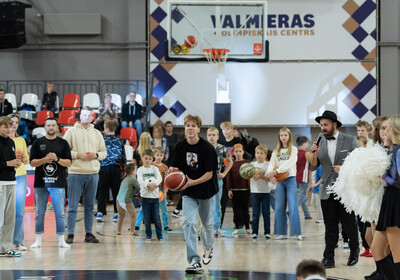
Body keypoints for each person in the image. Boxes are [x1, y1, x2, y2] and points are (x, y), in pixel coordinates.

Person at [309, 110, 360, 268]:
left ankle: (354, 251)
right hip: (326, 190)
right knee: (330, 226)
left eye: (326, 124)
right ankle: (328, 257)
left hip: (345, 189)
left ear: (334, 124)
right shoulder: (319, 141)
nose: (323, 127)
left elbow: (359, 164)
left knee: (348, 223)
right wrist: (314, 155)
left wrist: (344, 169)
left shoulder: (350, 140)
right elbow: (312, 167)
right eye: (321, 125)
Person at [168, 114, 218, 274]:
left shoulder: (207, 148)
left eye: (193, 125)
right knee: (188, 223)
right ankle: (195, 261)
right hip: (188, 192)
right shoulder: (179, 147)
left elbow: (210, 174)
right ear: (185, 128)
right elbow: (173, 169)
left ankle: (208, 248)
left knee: (207, 225)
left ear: (198, 128)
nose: (190, 128)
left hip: (206, 191)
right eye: (187, 125)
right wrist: (170, 178)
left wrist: (191, 182)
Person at [63, 106, 107, 244]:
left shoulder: (97, 133)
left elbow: (104, 152)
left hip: (93, 173)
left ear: (92, 117)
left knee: (89, 206)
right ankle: (70, 234)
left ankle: (88, 233)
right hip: (75, 172)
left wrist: (97, 155)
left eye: (89, 115)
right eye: (84, 115)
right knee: (72, 206)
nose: (86, 117)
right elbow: (64, 151)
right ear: (79, 116)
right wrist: (78, 155)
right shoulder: (71, 132)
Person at [29, 117, 72, 248]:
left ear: (57, 127)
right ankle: (38, 240)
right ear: (44, 127)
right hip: (40, 183)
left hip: (58, 183)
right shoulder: (37, 142)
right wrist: (44, 160)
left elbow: (69, 163)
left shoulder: (63, 143)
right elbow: (32, 162)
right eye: (48, 125)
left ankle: (61, 240)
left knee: (59, 212)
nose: (51, 127)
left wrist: (57, 159)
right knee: (39, 212)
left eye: (53, 125)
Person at [371, 115, 400, 279]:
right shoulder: (390, 150)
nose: (383, 132)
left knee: (397, 255)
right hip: (388, 201)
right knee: (376, 250)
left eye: (386, 128)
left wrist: (382, 176)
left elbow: (398, 181)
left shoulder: (398, 150)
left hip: (396, 202)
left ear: (394, 130)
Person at [267, 127, 302, 241]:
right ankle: (281, 232)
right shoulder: (276, 150)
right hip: (280, 181)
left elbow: (291, 162)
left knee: (292, 206)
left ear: (289, 136)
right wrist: (271, 175)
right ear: (279, 137)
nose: (283, 137)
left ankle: (297, 233)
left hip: (290, 179)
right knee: (279, 207)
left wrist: (277, 171)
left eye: (285, 135)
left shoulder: (293, 149)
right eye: (281, 135)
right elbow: (271, 164)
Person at [96, 120, 126, 223]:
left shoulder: (101, 140)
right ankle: (116, 213)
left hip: (103, 168)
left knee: (102, 191)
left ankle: (100, 212)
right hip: (116, 168)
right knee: (116, 191)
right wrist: (123, 169)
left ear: (107, 128)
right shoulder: (120, 140)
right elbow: (123, 156)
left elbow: (98, 155)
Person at [0, 116, 21, 257]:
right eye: (5, 126)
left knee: (9, 218)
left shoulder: (12, 142)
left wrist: (17, 162)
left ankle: (4, 248)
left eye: (10, 126)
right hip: (0, 183)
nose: (8, 129)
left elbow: (11, 161)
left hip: (12, 182)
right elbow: (6, 162)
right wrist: (8, 163)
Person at [206, 126, 232, 237]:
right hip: (206, 179)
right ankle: (207, 227)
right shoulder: (204, 147)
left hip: (217, 179)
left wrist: (224, 173)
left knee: (217, 205)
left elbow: (230, 162)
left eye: (213, 135)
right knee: (206, 204)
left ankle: (217, 227)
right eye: (209, 135)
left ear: (217, 136)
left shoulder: (221, 148)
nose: (211, 137)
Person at [8, 114, 29, 251]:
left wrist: (22, 157)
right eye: (12, 122)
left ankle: (18, 241)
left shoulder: (21, 140)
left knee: (19, 211)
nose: (14, 124)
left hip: (21, 176)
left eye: (16, 122)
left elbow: (27, 161)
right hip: (5, 177)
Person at [137, 149, 163, 241]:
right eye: (146, 158)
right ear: (142, 159)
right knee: (147, 218)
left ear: (152, 159)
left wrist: (154, 185)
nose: (147, 160)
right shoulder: (140, 170)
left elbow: (159, 179)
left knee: (156, 217)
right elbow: (140, 180)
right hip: (145, 197)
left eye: (149, 159)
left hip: (155, 197)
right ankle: (148, 235)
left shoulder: (155, 169)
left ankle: (159, 235)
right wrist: (147, 185)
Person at [227, 143, 251, 235]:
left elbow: (251, 175)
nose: (238, 153)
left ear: (243, 152)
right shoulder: (231, 164)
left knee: (245, 210)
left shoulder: (248, 163)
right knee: (236, 211)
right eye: (236, 151)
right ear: (233, 153)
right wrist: (229, 189)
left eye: (240, 151)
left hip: (245, 190)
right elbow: (229, 177)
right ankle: (236, 227)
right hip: (235, 191)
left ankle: (247, 228)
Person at [250, 144, 271, 239]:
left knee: (266, 214)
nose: (259, 155)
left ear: (265, 155)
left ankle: (267, 232)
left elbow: (269, 179)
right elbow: (247, 176)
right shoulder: (251, 165)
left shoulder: (268, 165)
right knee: (255, 214)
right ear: (255, 154)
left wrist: (260, 177)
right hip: (255, 192)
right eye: (257, 153)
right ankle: (254, 232)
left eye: (261, 153)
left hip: (266, 192)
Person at [116, 163, 140, 236]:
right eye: (136, 170)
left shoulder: (125, 179)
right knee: (133, 215)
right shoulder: (133, 179)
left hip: (118, 201)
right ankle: (132, 231)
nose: (136, 171)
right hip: (126, 201)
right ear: (133, 172)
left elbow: (126, 192)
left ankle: (118, 231)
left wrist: (135, 196)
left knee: (121, 216)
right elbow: (140, 189)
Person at [152, 147, 171, 231]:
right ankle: (137, 225)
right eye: (157, 155)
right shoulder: (151, 166)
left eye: (161, 155)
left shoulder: (165, 167)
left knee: (164, 209)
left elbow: (166, 181)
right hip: (152, 190)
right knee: (145, 209)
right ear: (154, 155)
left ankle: (166, 225)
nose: (159, 157)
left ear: (163, 156)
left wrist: (165, 191)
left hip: (161, 190)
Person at [296, 136, 312, 220]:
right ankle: (293, 210)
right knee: (302, 195)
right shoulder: (306, 153)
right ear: (305, 143)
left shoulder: (295, 153)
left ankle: (307, 214)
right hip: (304, 177)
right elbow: (313, 162)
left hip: (296, 177)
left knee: (304, 196)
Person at [164, 121, 178, 206]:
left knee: (173, 177)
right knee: (166, 176)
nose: (169, 127)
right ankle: (166, 196)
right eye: (168, 126)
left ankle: (171, 197)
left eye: (171, 126)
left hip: (174, 159)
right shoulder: (164, 137)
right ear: (165, 127)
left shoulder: (175, 136)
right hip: (166, 159)